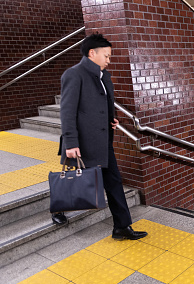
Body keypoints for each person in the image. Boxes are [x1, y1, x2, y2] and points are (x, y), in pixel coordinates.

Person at [53, 33, 147, 240]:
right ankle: (58, 210)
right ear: (92, 53)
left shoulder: (104, 76)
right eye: (106, 55)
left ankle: (122, 227)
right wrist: (70, 142)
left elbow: (104, 104)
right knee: (69, 180)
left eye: (109, 56)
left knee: (114, 182)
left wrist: (111, 120)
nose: (108, 60)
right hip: (81, 142)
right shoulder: (74, 74)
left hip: (103, 142)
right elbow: (67, 111)